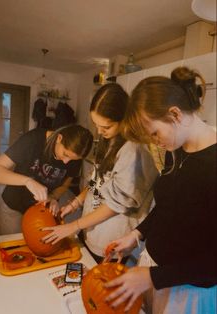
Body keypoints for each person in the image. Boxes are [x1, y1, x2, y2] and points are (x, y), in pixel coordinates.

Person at [103, 67, 217, 313]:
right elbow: (167, 207)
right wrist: (137, 234)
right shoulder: (175, 149)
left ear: (175, 114)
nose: (156, 142)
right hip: (155, 272)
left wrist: (154, 277)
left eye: (154, 133)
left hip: (189, 292)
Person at [41, 83, 158, 263]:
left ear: (124, 118)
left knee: (98, 285)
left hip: (112, 239)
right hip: (92, 230)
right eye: (96, 124)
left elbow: (116, 204)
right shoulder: (109, 140)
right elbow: (98, 182)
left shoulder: (134, 150)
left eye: (106, 126)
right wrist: (76, 203)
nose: (100, 131)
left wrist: (75, 225)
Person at [0, 124, 93, 234]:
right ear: (59, 138)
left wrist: (53, 197)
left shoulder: (75, 156)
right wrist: (27, 181)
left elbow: (64, 185)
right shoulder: (33, 140)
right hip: (15, 205)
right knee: (11, 243)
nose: (66, 162)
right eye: (65, 154)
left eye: (73, 159)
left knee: (39, 244)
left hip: (42, 211)